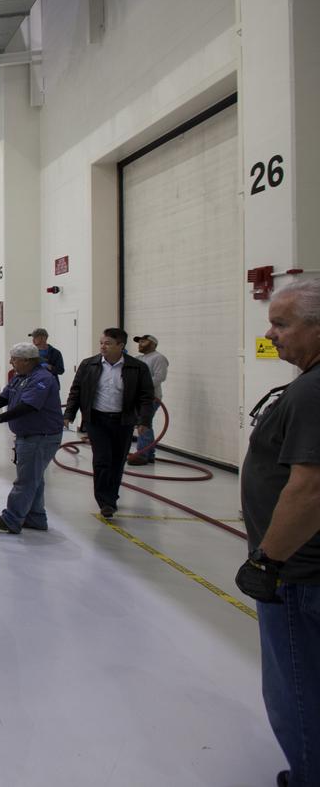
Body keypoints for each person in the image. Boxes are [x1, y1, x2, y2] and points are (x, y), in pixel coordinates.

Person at [234, 279, 320, 787]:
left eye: (282, 324)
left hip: (297, 574)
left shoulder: (312, 391)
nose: (271, 335)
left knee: (297, 689)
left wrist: (268, 560)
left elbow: (309, 489)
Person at [63, 328, 154, 518]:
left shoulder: (137, 368)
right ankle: (105, 501)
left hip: (123, 421)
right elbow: (76, 390)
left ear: (121, 346)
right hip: (97, 420)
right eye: (101, 343)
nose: (103, 347)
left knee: (117, 461)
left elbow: (146, 397)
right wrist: (69, 414)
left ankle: (111, 496)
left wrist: (144, 420)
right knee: (102, 459)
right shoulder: (89, 365)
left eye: (108, 343)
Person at [0, 343, 65, 534]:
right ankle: (36, 518)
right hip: (29, 435)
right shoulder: (20, 378)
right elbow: (2, 399)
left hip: (40, 436)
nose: (10, 362)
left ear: (27, 360)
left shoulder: (42, 379)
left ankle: (12, 519)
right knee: (34, 478)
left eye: (14, 359)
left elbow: (28, 406)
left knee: (26, 480)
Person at [127, 334, 169, 465]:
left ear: (153, 344)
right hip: (140, 398)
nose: (140, 343)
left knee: (143, 424)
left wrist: (143, 388)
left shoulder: (158, 358)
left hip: (151, 398)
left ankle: (142, 454)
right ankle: (149, 454)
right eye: (139, 341)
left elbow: (159, 377)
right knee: (145, 424)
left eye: (143, 341)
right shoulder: (139, 358)